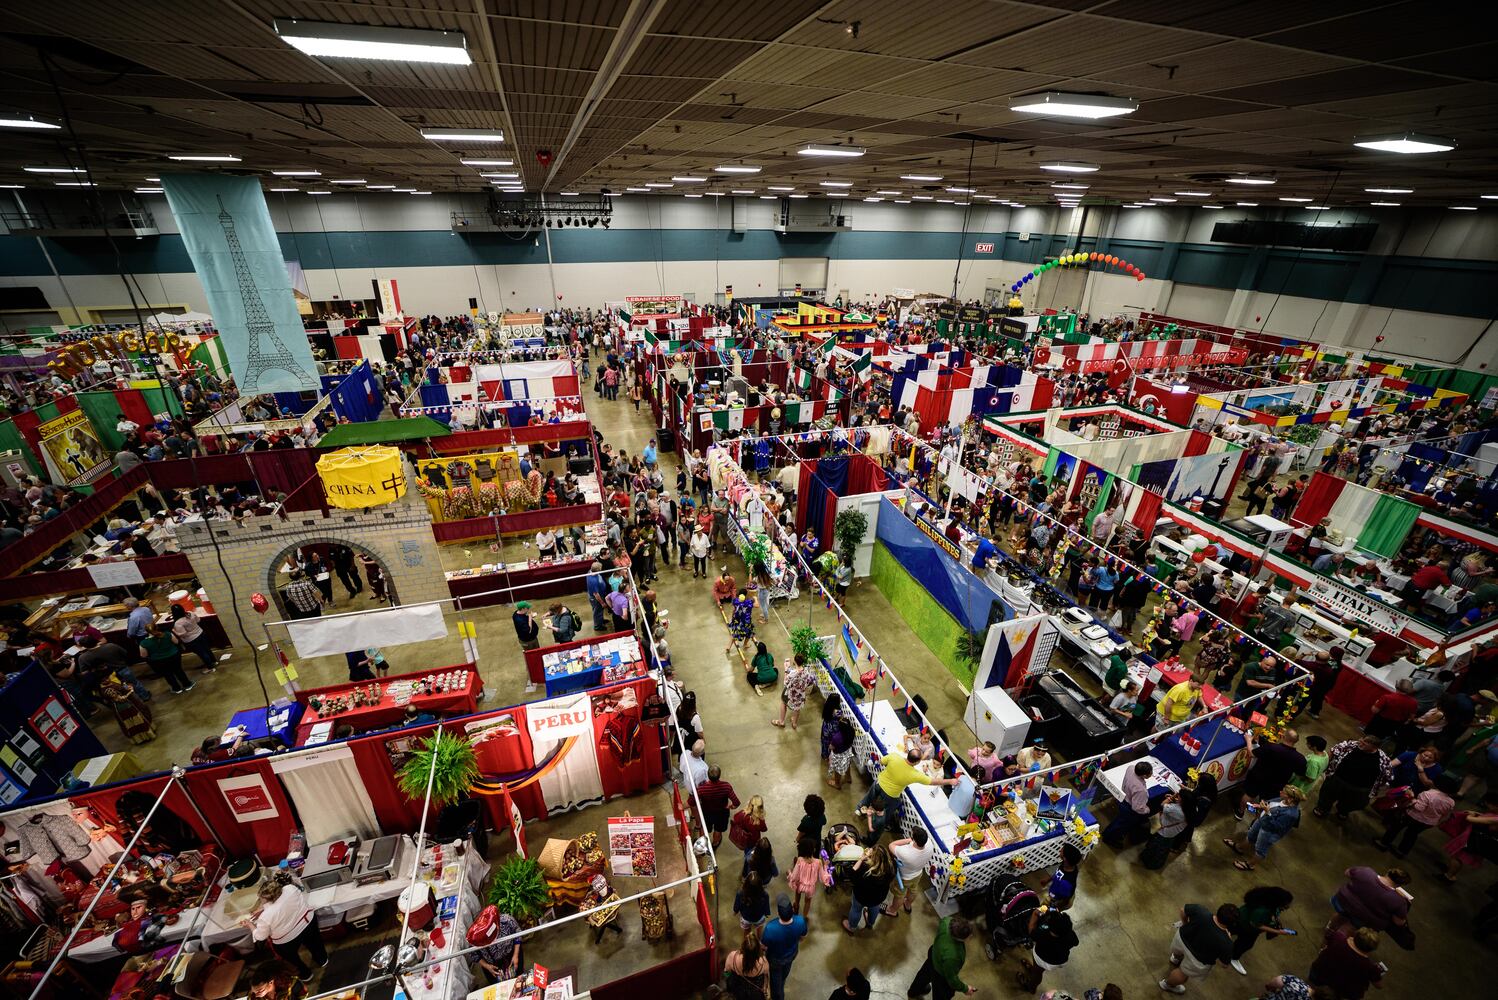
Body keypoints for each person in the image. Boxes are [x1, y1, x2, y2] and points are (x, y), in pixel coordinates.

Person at [857, 748, 960, 836]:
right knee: (887, 812)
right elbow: (932, 782)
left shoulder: (894, 756)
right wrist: (950, 781)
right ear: (917, 762)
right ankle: (877, 827)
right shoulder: (915, 774)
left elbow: (882, 761)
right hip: (890, 794)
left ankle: (860, 809)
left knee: (869, 796)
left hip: (879, 783)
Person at [247, 876, 326, 983]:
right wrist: (263, 909)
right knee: (315, 944)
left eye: (262, 899)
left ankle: (306, 975)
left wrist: (249, 924)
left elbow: (261, 936)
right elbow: (282, 904)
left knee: (292, 959)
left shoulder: (265, 917)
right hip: (307, 923)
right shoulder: (290, 888)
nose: (261, 901)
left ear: (268, 898)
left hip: (287, 940)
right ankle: (322, 960)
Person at [1159, 902, 1239, 993]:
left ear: (1219, 910)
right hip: (1197, 959)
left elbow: (1182, 910)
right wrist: (1227, 939)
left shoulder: (1201, 911)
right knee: (1182, 974)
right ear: (1232, 923)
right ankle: (1167, 984)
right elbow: (1224, 964)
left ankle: (1175, 959)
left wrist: (1185, 923)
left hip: (1181, 939)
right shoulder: (1227, 942)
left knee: (1178, 952)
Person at [1375, 772, 1458, 857]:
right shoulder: (1451, 802)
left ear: (1437, 784)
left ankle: (1383, 843)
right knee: (1411, 835)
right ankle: (1401, 852)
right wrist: (1439, 821)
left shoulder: (1427, 794)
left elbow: (1419, 808)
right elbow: (1445, 814)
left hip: (1412, 817)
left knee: (1395, 828)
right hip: (1428, 823)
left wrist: (1412, 798)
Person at [1315, 735, 1393, 820]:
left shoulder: (1383, 759)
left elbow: (1387, 775)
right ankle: (1322, 809)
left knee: (1352, 804)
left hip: (1360, 788)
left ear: (1374, 747)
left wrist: (1377, 787)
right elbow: (1334, 750)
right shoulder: (1351, 745)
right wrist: (1326, 766)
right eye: (1361, 740)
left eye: (1364, 744)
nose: (1360, 743)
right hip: (1338, 779)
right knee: (1327, 795)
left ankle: (1343, 811)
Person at [1237, 728, 1307, 820]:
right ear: (1296, 741)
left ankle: (1240, 813)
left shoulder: (1271, 747)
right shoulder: (1300, 758)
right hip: (1276, 785)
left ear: (1282, 736)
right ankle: (1256, 821)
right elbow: (1300, 774)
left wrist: (1249, 740)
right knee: (1265, 804)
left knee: (1249, 796)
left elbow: (1251, 753)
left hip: (1258, 777)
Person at [1228, 885, 1294, 975]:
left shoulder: (1271, 905)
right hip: (1244, 924)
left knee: (1239, 938)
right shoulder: (1261, 910)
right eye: (1286, 904)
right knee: (1245, 943)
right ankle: (1233, 957)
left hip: (1248, 925)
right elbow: (1255, 924)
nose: (1288, 906)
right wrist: (1278, 932)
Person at [906, 915, 977, 998]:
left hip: (933, 955)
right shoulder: (954, 956)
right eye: (969, 936)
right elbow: (951, 978)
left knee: (923, 976)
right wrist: (965, 988)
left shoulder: (946, 921)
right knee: (942, 995)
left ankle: (913, 991)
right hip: (940, 973)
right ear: (961, 938)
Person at [1308, 926, 1384, 999]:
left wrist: (1322, 950)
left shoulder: (1338, 937)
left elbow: (1327, 937)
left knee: (1311, 992)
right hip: (1341, 991)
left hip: (1318, 974)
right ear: (1371, 949)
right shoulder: (1370, 967)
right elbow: (1379, 986)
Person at [761, 894, 808, 1000]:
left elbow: (764, 947)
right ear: (792, 909)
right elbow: (802, 937)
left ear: (778, 913)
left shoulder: (770, 928)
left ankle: (778, 996)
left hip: (775, 959)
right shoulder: (800, 921)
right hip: (791, 954)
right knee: (784, 973)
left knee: (776, 983)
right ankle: (782, 982)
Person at [1021, 907, 1078, 992]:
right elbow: (1076, 942)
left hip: (1043, 960)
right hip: (1059, 959)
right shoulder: (1069, 934)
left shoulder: (1044, 935)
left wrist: (1035, 914)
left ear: (1052, 930)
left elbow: (1031, 932)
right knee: (1038, 969)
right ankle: (1034, 970)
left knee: (1038, 972)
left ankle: (1031, 986)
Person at [843, 844, 895, 932]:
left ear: (873, 858)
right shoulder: (891, 867)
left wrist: (861, 859)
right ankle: (870, 923)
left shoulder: (865, 869)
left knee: (856, 909)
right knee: (874, 907)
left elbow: (852, 876)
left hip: (862, 896)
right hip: (878, 897)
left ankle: (851, 927)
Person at [1103, 760, 1154, 847]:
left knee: (1118, 820)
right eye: (1150, 773)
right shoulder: (1141, 790)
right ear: (1144, 775)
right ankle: (1110, 839)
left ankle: (1107, 833)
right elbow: (1137, 808)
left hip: (1123, 798)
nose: (1152, 773)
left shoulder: (1131, 768)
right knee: (1122, 825)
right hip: (1129, 809)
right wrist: (1147, 810)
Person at [885, 827, 934, 916]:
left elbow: (891, 845)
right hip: (918, 873)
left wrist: (908, 840)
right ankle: (907, 904)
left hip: (905, 877)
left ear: (914, 839)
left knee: (899, 895)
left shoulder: (905, 852)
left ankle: (892, 910)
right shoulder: (930, 844)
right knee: (913, 890)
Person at [467, 904, 522, 982]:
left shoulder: (507, 921)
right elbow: (473, 954)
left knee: (519, 979)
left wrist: (516, 955)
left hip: (511, 955)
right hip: (491, 965)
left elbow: (518, 934)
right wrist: (486, 966)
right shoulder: (475, 937)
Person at [138, 624, 192, 694]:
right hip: (174, 656)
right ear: (157, 628)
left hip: (159, 660)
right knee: (179, 670)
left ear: (146, 631)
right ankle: (187, 685)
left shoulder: (144, 643)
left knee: (167, 674)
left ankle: (176, 689)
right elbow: (176, 642)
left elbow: (143, 655)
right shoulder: (167, 634)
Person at [1141, 790, 1187, 870]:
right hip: (1171, 833)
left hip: (1163, 831)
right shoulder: (1190, 809)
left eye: (1179, 796)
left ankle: (1150, 863)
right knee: (1163, 850)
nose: (1177, 797)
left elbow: (1162, 804)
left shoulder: (1175, 809)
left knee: (1155, 847)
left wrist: (1172, 797)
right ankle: (1155, 862)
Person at [697, 765, 740, 849]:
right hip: (721, 813)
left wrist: (682, 806)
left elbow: (693, 800)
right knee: (718, 829)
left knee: (704, 827)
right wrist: (731, 806)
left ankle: (701, 846)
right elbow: (736, 802)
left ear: (708, 775)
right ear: (719, 775)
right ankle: (715, 843)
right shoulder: (726, 786)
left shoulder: (702, 788)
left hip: (707, 812)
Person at [722, 926, 770, 998]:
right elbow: (766, 976)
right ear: (758, 949)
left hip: (738, 988)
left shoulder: (733, 957)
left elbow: (726, 972)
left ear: (743, 946)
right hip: (755, 992)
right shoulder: (763, 962)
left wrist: (730, 981)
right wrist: (765, 988)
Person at [787, 833, 827, 918]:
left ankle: (796, 907)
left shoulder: (800, 860)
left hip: (800, 884)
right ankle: (804, 917)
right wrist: (826, 866)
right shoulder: (818, 862)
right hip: (810, 888)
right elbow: (823, 879)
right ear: (813, 850)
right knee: (808, 902)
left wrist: (789, 873)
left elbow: (794, 877)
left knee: (797, 895)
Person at [773, 654, 816, 730]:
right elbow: (811, 680)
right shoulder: (807, 672)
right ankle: (794, 723)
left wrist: (786, 669)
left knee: (783, 703)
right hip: (800, 695)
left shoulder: (792, 673)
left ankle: (781, 721)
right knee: (797, 708)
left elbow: (785, 683)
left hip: (790, 694)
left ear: (794, 661)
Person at [729, 795, 768, 864]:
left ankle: (747, 860)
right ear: (761, 807)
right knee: (751, 853)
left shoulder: (742, 814)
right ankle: (748, 864)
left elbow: (735, 818)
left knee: (746, 851)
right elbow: (764, 829)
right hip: (753, 841)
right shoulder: (759, 821)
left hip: (743, 839)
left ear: (750, 804)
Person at [726, 588, 756, 655]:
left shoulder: (735, 601)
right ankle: (745, 644)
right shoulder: (748, 602)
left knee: (735, 633)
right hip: (746, 621)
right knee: (749, 633)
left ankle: (728, 646)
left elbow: (734, 609)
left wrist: (732, 616)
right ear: (745, 595)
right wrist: (755, 598)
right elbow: (757, 605)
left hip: (737, 619)